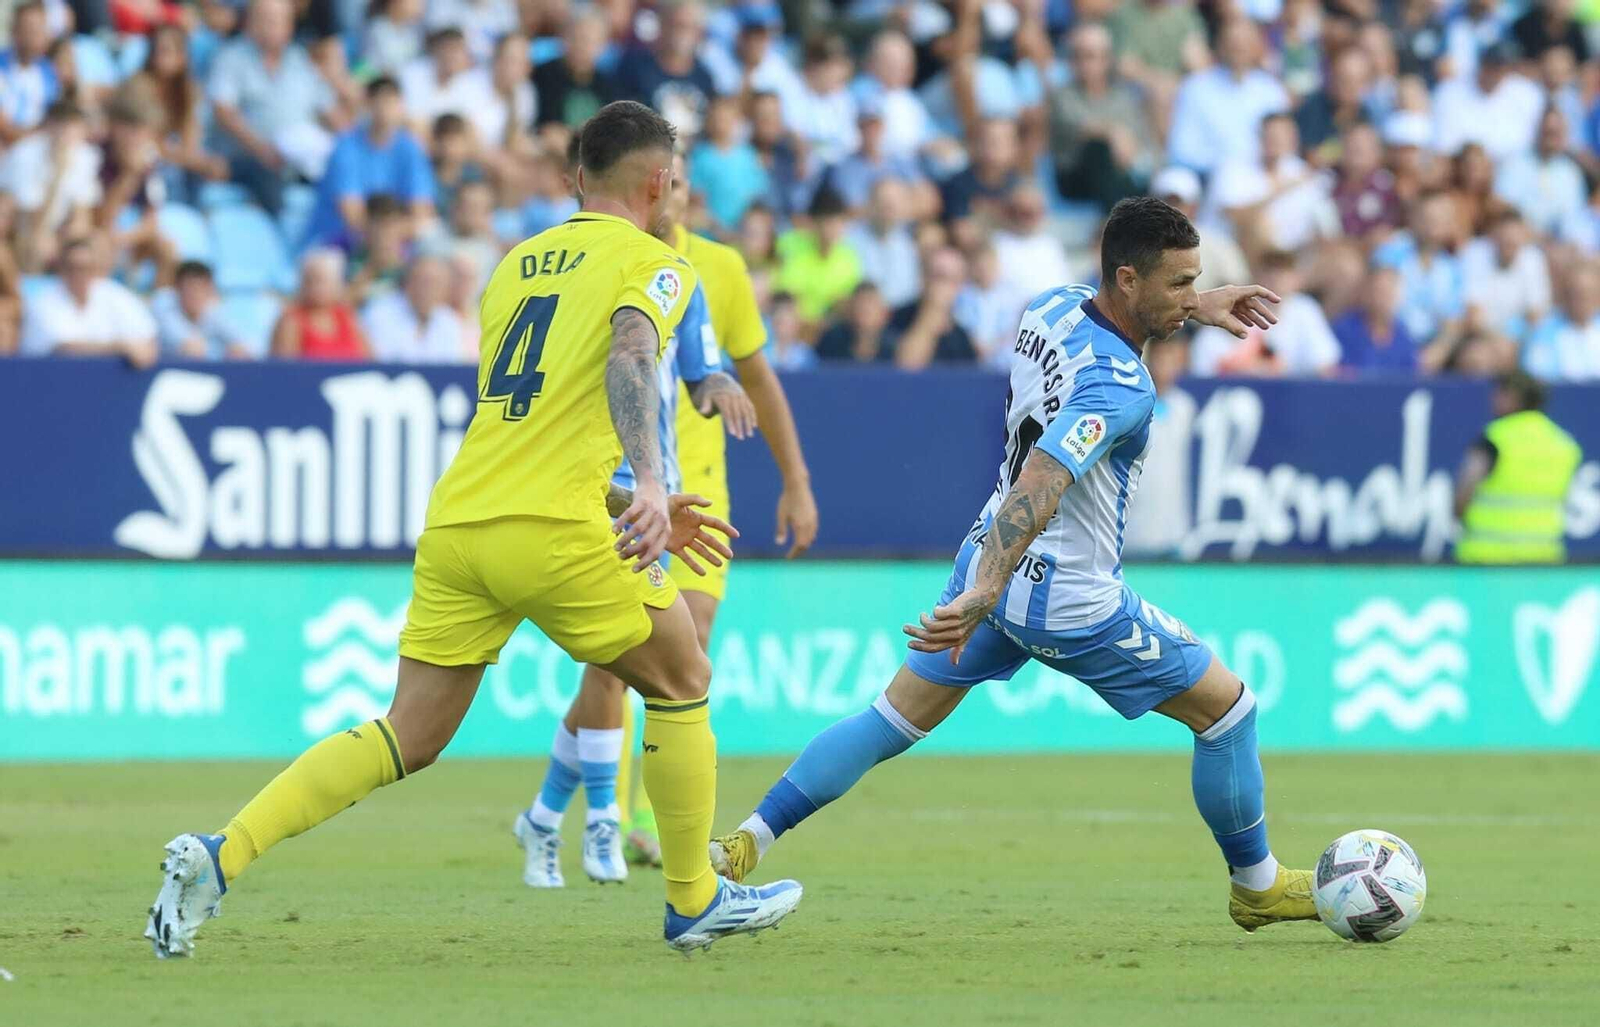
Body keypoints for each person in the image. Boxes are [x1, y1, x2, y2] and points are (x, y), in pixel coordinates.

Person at [145, 101, 804, 959]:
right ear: (658, 184)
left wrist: (621, 502)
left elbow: (531, 427)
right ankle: (692, 898)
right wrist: (647, 484)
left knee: (404, 733)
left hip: (461, 521)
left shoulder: (513, 266)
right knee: (682, 677)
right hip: (552, 530)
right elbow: (635, 353)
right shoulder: (659, 263)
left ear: (574, 178)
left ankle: (216, 856)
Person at [707, 197, 1318, 938]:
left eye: (1198, 280)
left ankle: (745, 840)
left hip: (986, 557)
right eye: (1179, 283)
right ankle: (1256, 885)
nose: (1192, 296)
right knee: (1229, 712)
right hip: (1067, 594)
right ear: (1127, 279)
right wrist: (990, 588)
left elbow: (1099, 353)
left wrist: (982, 586)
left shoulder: (1050, 306)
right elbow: (1043, 481)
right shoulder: (1120, 388)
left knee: (890, 718)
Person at [520, 146, 818, 870]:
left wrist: (793, 476)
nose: (670, 193)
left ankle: (565, 814)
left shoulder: (713, 271)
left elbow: (744, 371)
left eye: (682, 184)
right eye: (665, 180)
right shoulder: (598, 260)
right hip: (609, 482)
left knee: (673, 657)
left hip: (689, 485)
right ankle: (609, 817)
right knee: (618, 661)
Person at [1454, 371, 1582, 563]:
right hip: (1544, 558)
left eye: (1499, 393)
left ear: (1512, 397)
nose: (1493, 399)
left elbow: (1463, 494)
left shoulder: (1495, 438)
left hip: (1487, 559)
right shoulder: (1565, 444)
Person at [306, 75, 435, 249]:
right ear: (367, 105)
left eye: (391, 102)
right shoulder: (346, 148)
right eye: (379, 102)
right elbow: (352, 216)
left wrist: (389, 234)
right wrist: (390, 234)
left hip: (391, 242)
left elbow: (421, 213)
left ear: (401, 105)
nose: (385, 109)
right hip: (338, 241)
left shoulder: (410, 149)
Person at [21, 236, 158, 367]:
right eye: (72, 267)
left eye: (85, 268)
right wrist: (121, 347)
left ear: (94, 269)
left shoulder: (113, 294)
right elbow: (63, 348)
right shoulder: (43, 301)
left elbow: (146, 340)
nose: (78, 274)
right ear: (61, 268)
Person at [360, 254, 468, 363]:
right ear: (408, 283)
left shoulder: (449, 321)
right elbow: (379, 364)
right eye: (425, 282)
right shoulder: (379, 314)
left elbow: (453, 368)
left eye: (436, 284)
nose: (429, 290)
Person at [270, 248, 370, 360]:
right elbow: (283, 369)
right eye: (310, 280)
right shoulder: (291, 321)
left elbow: (369, 360)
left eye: (321, 280)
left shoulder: (348, 317)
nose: (316, 287)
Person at [153, 260, 254, 359]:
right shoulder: (164, 305)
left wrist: (237, 349)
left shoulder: (214, 310)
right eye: (189, 288)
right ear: (177, 289)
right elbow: (190, 349)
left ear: (210, 290)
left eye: (201, 288)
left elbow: (244, 347)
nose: (195, 294)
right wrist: (221, 351)